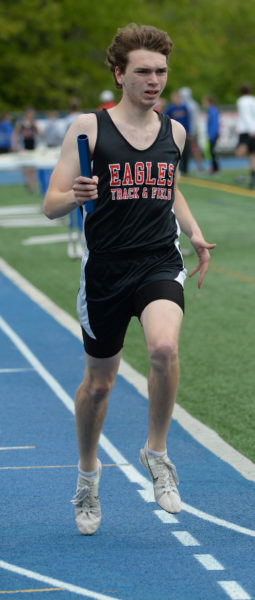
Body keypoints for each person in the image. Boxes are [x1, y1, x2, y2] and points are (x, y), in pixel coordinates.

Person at [43, 23, 216, 536]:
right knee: (99, 385)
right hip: (106, 271)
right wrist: (74, 193)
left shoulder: (175, 132)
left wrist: (195, 232)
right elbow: (51, 204)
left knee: (164, 349)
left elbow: (170, 186)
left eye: (161, 71)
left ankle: (157, 454)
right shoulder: (88, 128)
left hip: (159, 260)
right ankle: (88, 478)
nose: (154, 80)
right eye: (143, 71)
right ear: (119, 74)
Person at [12, 106, 40, 193]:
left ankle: (32, 185)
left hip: (32, 148)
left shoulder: (34, 123)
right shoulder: (20, 124)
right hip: (24, 148)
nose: (31, 115)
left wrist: (36, 126)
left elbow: (40, 134)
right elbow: (15, 134)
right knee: (25, 168)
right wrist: (15, 145)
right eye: (30, 113)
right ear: (26, 114)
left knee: (33, 168)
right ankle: (27, 183)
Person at [164, 91, 191, 174]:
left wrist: (188, 132)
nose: (175, 99)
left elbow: (188, 120)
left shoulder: (184, 108)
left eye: (176, 98)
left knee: (185, 151)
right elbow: (165, 119)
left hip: (184, 133)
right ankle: (175, 169)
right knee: (175, 152)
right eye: (173, 98)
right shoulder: (170, 108)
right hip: (173, 133)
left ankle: (185, 170)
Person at [236, 83, 255, 189]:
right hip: (253, 129)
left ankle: (248, 178)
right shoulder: (253, 100)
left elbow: (246, 115)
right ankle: (252, 178)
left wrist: (251, 129)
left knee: (239, 153)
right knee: (252, 155)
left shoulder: (241, 101)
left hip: (246, 131)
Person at [179, 87, 203, 171]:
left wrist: (191, 131)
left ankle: (199, 167)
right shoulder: (193, 104)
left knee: (193, 149)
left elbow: (193, 119)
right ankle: (198, 166)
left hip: (191, 130)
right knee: (191, 149)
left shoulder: (189, 105)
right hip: (191, 129)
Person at [202, 95, 220, 173]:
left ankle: (215, 168)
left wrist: (212, 135)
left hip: (213, 134)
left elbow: (214, 124)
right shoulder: (211, 110)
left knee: (213, 151)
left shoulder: (212, 110)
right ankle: (214, 167)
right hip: (212, 134)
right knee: (211, 151)